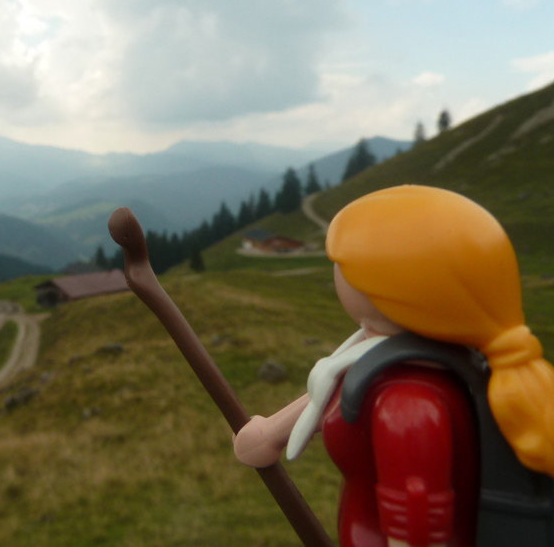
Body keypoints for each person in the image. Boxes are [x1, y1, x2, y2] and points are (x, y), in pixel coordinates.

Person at [233, 185, 554, 547]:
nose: (337, 270)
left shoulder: (409, 403)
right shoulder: (382, 360)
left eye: (344, 263)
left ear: (390, 288)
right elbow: (334, 390)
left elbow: (417, 528)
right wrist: (269, 435)